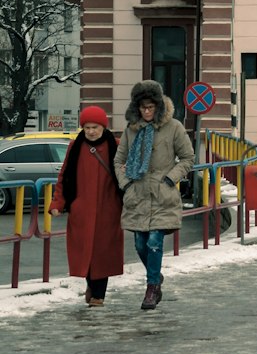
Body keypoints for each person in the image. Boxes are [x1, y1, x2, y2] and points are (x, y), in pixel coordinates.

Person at [115, 80, 194, 311]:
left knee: (153, 241)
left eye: (150, 107)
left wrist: (170, 178)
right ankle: (157, 277)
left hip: (162, 194)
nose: (146, 111)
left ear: (158, 106)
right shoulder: (132, 129)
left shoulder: (174, 127)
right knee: (140, 244)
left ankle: (151, 288)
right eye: (142, 107)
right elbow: (119, 159)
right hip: (138, 194)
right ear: (136, 107)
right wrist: (126, 184)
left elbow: (188, 157)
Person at [51, 106, 124, 307]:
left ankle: (98, 296)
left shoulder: (115, 146)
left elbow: (126, 176)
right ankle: (91, 285)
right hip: (81, 209)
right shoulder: (75, 147)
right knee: (85, 253)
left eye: (95, 127)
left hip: (108, 209)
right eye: (87, 127)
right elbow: (64, 177)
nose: (91, 131)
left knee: (103, 253)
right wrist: (58, 202)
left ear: (103, 127)